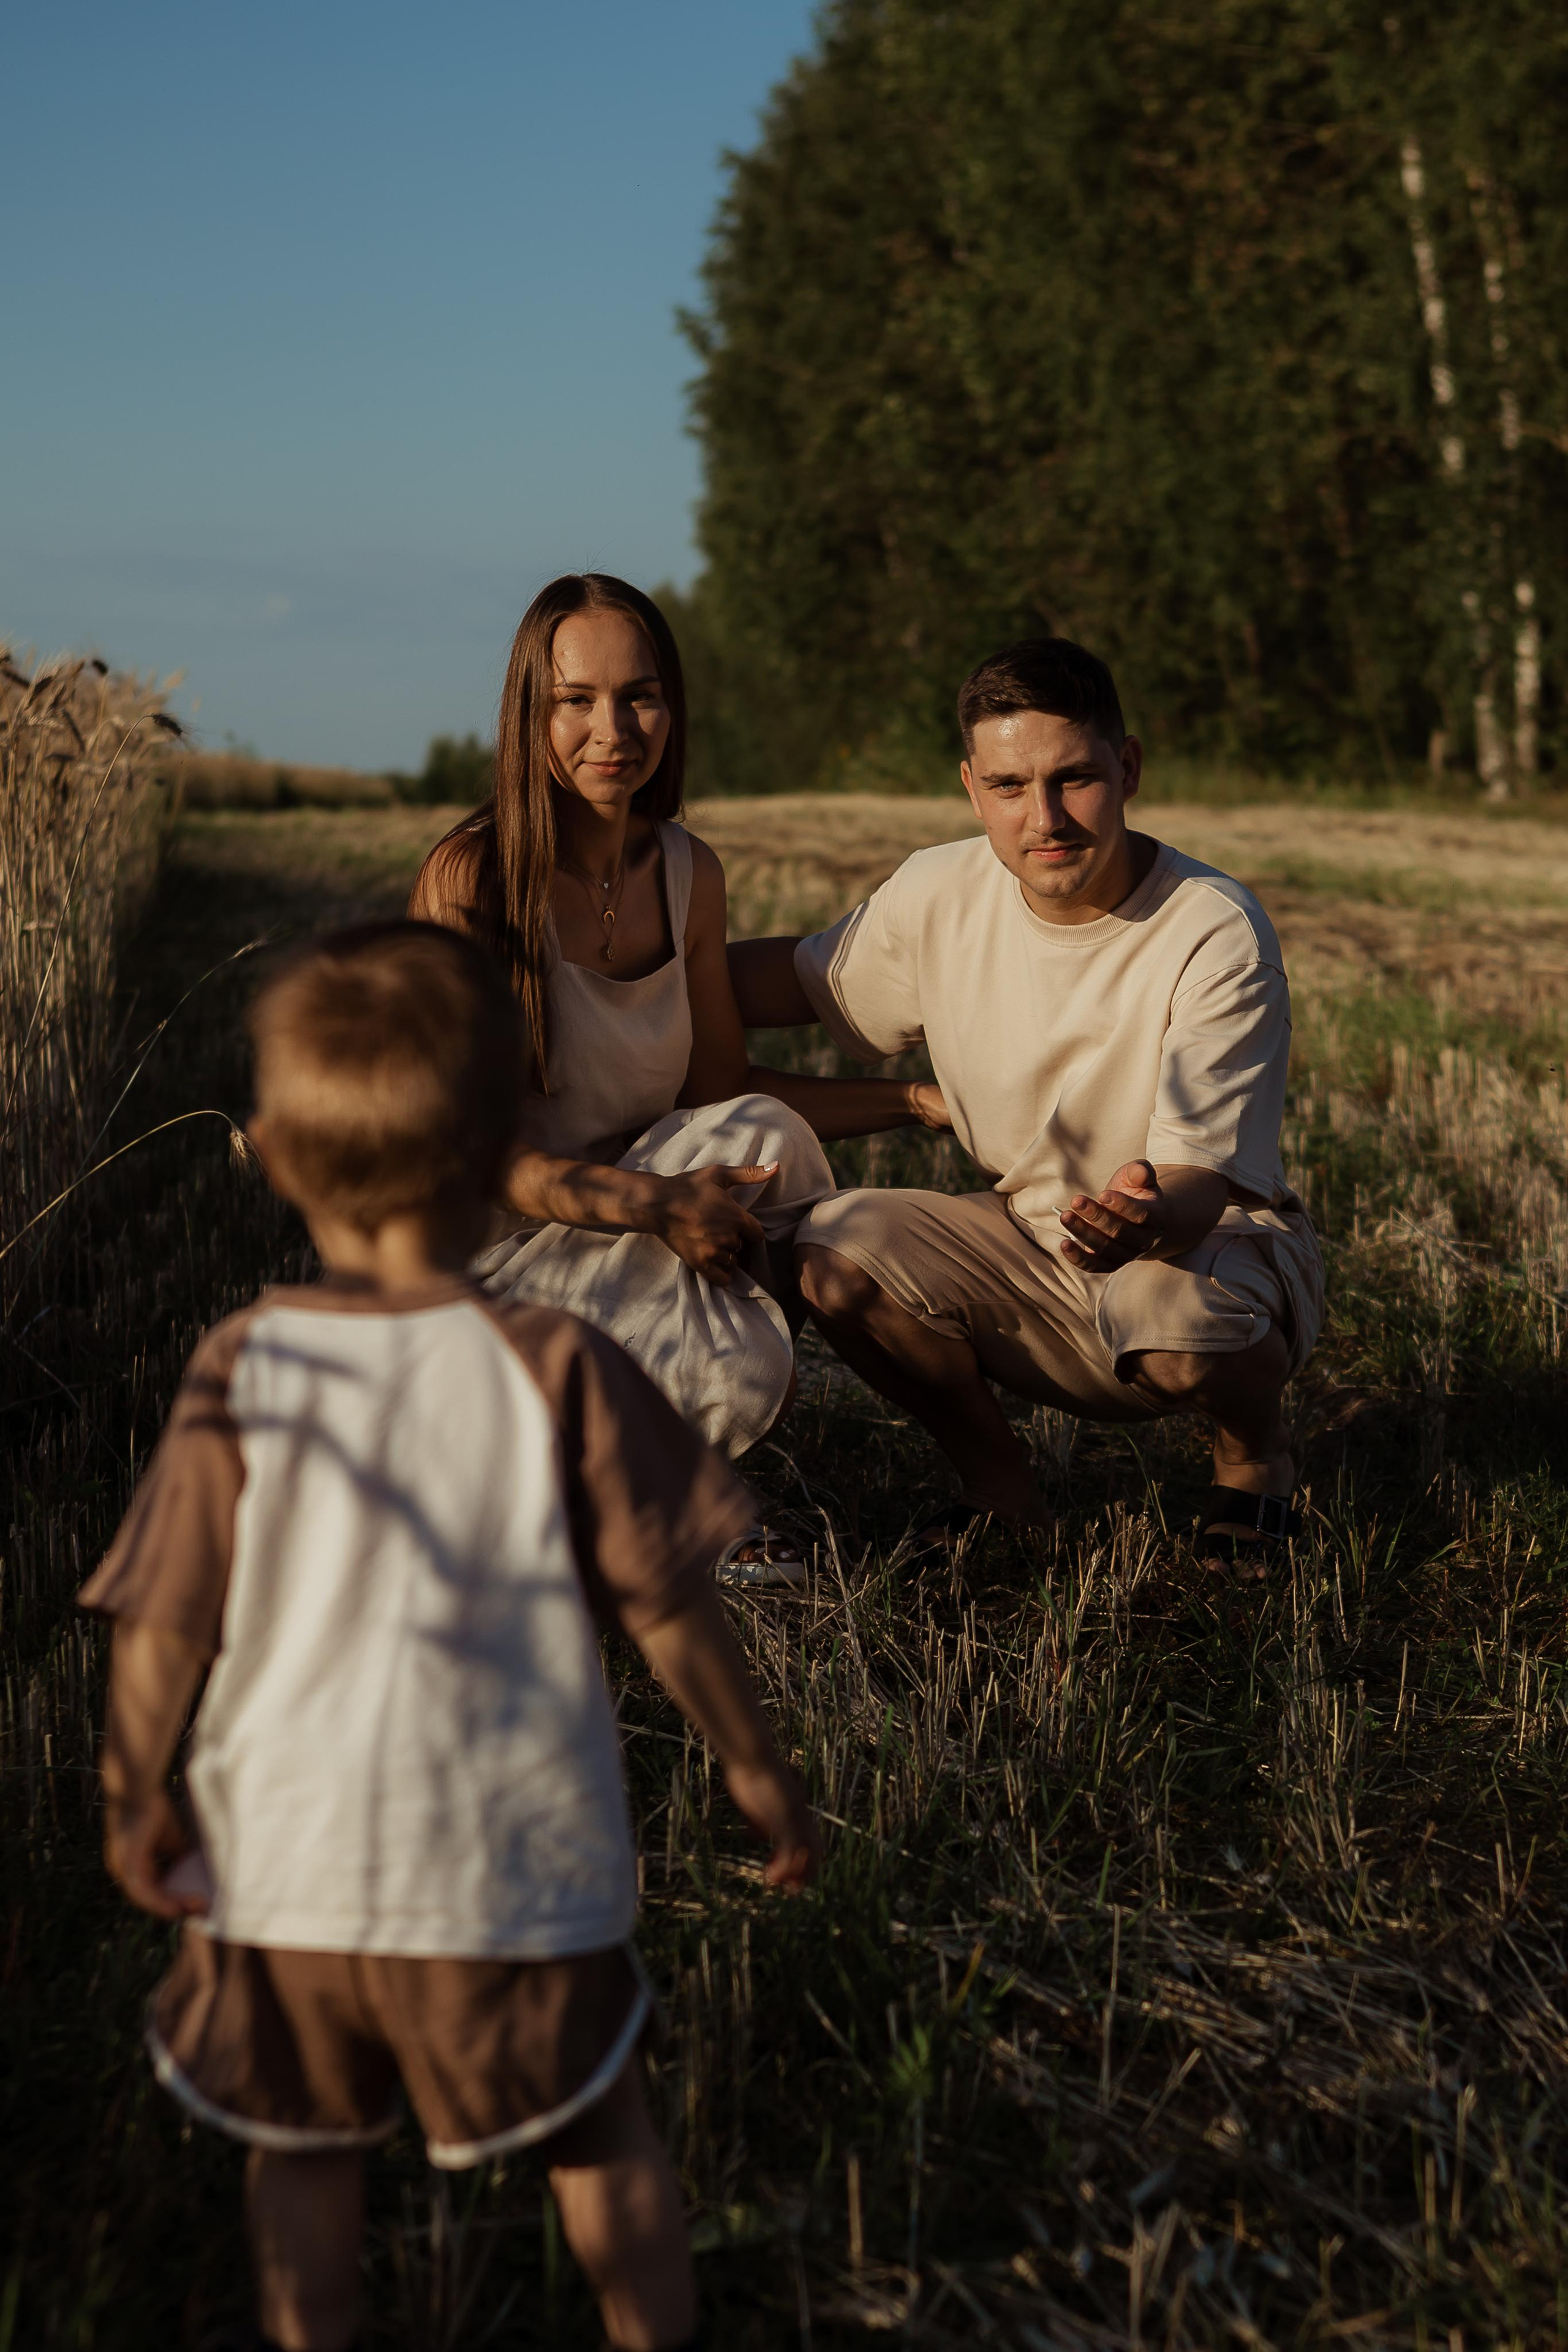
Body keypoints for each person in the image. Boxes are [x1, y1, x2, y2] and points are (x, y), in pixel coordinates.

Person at [79, 922, 818, 2352]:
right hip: (512, 1863)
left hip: (287, 1871)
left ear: (271, 1155)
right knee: (599, 2133)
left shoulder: (241, 1365)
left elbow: (163, 1619)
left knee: (301, 2155)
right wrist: (753, 1767)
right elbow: (670, 1603)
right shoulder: (555, 1364)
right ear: (497, 1152)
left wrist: (128, 1790)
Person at [729, 638, 1325, 1566]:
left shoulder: (1214, 929)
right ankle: (1002, 1494)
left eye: (1073, 778)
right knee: (836, 1249)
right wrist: (617, 978)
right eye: (1009, 786)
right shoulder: (938, 890)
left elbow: (1198, 1182)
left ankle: (1255, 1459)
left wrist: (1141, 1217)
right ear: (973, 790)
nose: (1043, 818)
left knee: (1173, 1330)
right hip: (1028, 1237)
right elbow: (794, 982)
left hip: (1202, 1249)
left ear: (1128, 769)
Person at [409, 573, 947, 1578]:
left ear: (673, 708)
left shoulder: (689, 874)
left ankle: (628, 1479)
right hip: (489, 1278)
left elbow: (723, 1095)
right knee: (740, 1347)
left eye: (640, 697)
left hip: (631, 1232)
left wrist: (918, 1103)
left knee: (766, 1136)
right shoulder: (473, 879)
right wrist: (656, 1203)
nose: (613, 730)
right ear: (530, 712)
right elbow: (468, 1157)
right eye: (576, 700)